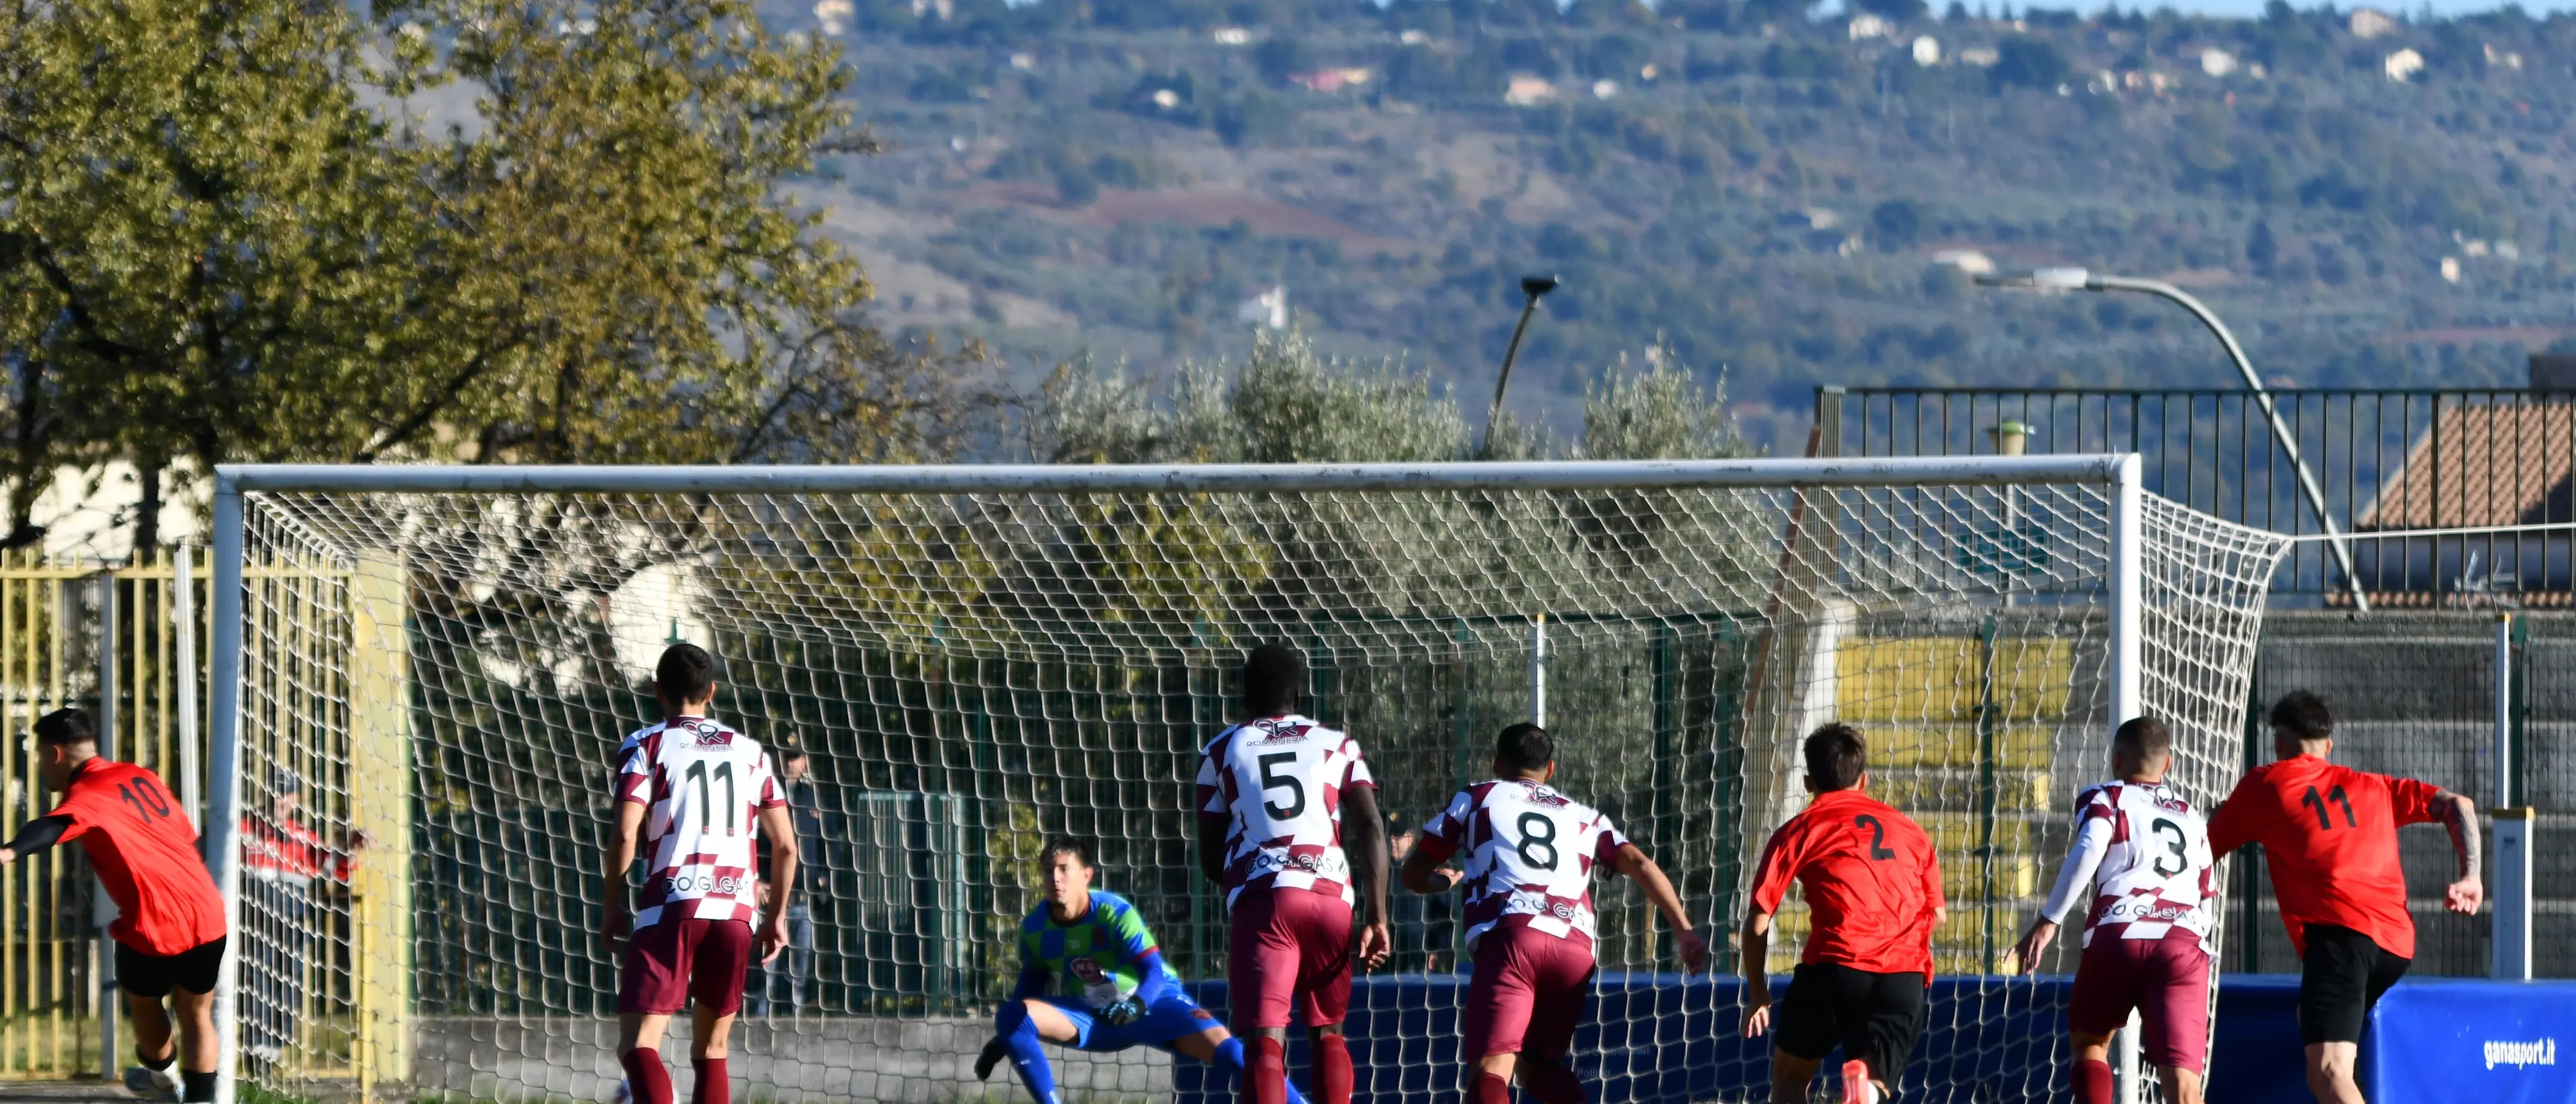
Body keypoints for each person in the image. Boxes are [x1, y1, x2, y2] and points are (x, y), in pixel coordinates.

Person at [1401, 723, 1708, 1104]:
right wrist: (1684, 930)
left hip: (1512, 936)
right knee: (1539, 1069)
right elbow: (1641, 863)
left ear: (1497, 764)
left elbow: (1412, 874)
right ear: (1551, 770)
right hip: (1574, 948)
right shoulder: (1583, 817)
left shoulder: (1477, 798)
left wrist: (1442, 883)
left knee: (1492, 1069)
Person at [2206, 691, 2481, 1104]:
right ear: (2328, 747)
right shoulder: (2371, 785)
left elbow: (2204, 847)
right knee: (2323, 1038)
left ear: (2278, 744)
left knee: (2328, 1070)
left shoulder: (2266, 784)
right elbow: (2457, 805)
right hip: (2396, 944)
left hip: (2340, 937)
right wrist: (2472, 876)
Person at [600, 643, 799, 1104]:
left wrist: (612, 902)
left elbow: (626, 833)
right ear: (711, 691)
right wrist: (777, 918)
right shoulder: (751, 752)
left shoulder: (645, 744)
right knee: (712, 1050)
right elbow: (786, 845)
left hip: (672, 904)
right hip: (735, 909)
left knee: (637, 1044)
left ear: (657, 692)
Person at [1193, 644, 1391, 1104]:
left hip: (1266, 900)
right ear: (1299, 697)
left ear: (1243, 697)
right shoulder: (1337, 743)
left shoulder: (1219, 750)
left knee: (1266, 1042)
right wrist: (1377, 916)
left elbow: (1210, 857)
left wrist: (1248, 887)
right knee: (1328, 1032)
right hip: (1328, 896)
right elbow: (1371, 825)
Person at [971, 837, 1305, 1104]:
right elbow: (1030, 987)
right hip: (1096, 1018)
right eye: (1047, 870)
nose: (1054, 878)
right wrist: (1003, 1039)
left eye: (1063, 869)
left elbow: (1154, 971)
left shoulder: (1115, 913)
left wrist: (1137, 1004)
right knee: (1013, 1015)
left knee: (1234, 1053)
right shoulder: (1034, 928)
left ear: (1087, 875)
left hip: (1156, 1005)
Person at [0, 708, 225, 1103]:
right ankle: (202, 1099)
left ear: (54, 754)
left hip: (155, 923)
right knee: (197, 1013)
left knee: (144, 1003)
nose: (39, 766)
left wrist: (8, 851)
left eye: (39, 757)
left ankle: (163, 1080)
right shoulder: (141, 776)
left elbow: (51, 826)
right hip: (207, 910)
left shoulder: (87, 794)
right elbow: (186, 836)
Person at [2009, 717, 2218, 1104]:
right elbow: (2206, 895)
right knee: (2185, 1085)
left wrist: (2049, 920)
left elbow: (2091, 846)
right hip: (2182, 941)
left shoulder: (2107, 797)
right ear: (2168, 765)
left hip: (2119, 931)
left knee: (2090, 1041)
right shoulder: (2192, 816)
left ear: (2116, 760)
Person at [1741, 723, 1944, 1104]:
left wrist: (1757, 992)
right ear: (1864, 780)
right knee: (1875, 1079)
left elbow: (1758, 920)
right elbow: (1938, 913)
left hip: (1837, 966)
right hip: (1903, 975)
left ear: (1807, 783)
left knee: (1789, 1078)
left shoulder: (1800, 829)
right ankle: (1865, 1092)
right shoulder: (1912, 833)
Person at [239, 767, 373, 1070]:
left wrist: (353, 847)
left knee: (289, 987)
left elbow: (337, 868)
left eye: (285, 794)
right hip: (254, 926)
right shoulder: (245, 830)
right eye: (274, 792)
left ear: (295, 800)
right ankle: (254, 1053)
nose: (278, 800)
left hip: (291, 928)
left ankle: (271, 1054)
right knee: (255, 985)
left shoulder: (304, 838)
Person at [748, 742, 826, 1017]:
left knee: (800, 965)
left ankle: (795, 1015)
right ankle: (759, 1017)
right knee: (767, 966)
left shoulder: (812, 797)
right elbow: (754, 841)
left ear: (804, 761)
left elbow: (828, 841)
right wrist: (757, 880)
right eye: (788, 757)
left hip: (802, 897)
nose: (792, 763)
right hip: (771, 896)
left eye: (797, 758)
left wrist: (823, 877)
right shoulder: (767, 793)